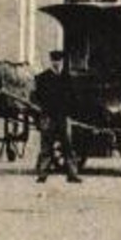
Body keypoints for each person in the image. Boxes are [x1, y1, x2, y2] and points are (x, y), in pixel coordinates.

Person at [34, 50, 81, 183]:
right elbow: (37, 97)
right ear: (51, 62)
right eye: (54, 61)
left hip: (63, 118)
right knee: (46, 147)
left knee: (68, 147)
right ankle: (42, 174)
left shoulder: (67, 78)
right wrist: (43, 112)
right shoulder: (43, 78)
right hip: (48, 117)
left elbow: (73, 98)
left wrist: (70, 115)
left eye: (59, 61)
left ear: (62, 62)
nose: (57, 64)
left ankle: (72, 174)